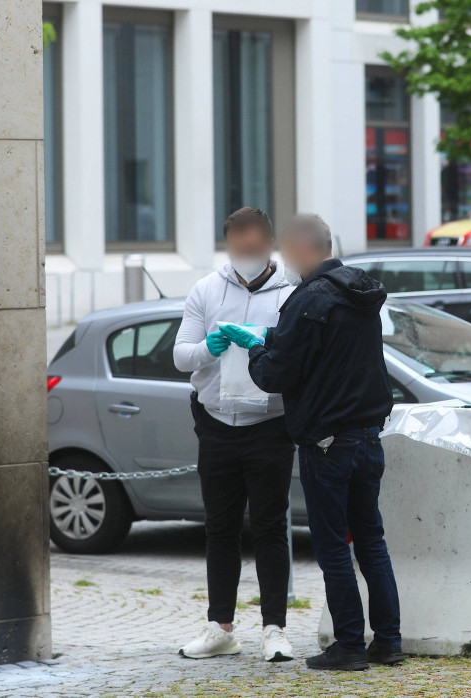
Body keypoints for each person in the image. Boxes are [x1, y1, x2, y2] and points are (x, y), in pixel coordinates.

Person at [219, 213, 403, 672]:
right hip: (367, 435)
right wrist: (277, 340)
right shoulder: (360, 291)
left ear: (301, 249)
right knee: (371, 541)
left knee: (333, 546)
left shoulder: (309, 299)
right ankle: (388, 641)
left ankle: (348, 647)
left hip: (327, 441)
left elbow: (276, 374)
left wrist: (257, 348)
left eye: (283, 250)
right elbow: (329, 355)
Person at [172, 207, 296, 663]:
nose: (246, 253)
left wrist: (263, 344)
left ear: (268, 245)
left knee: (269, 529)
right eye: (237, 246)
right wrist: (210, 347)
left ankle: (274, 630)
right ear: (228, 245)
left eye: (254, 246)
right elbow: (180, 356)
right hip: (217, 424)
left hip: (270, 425)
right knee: (220, 530)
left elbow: (301, 358)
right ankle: (220, 626)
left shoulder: (293, 293)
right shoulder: (206, 289)